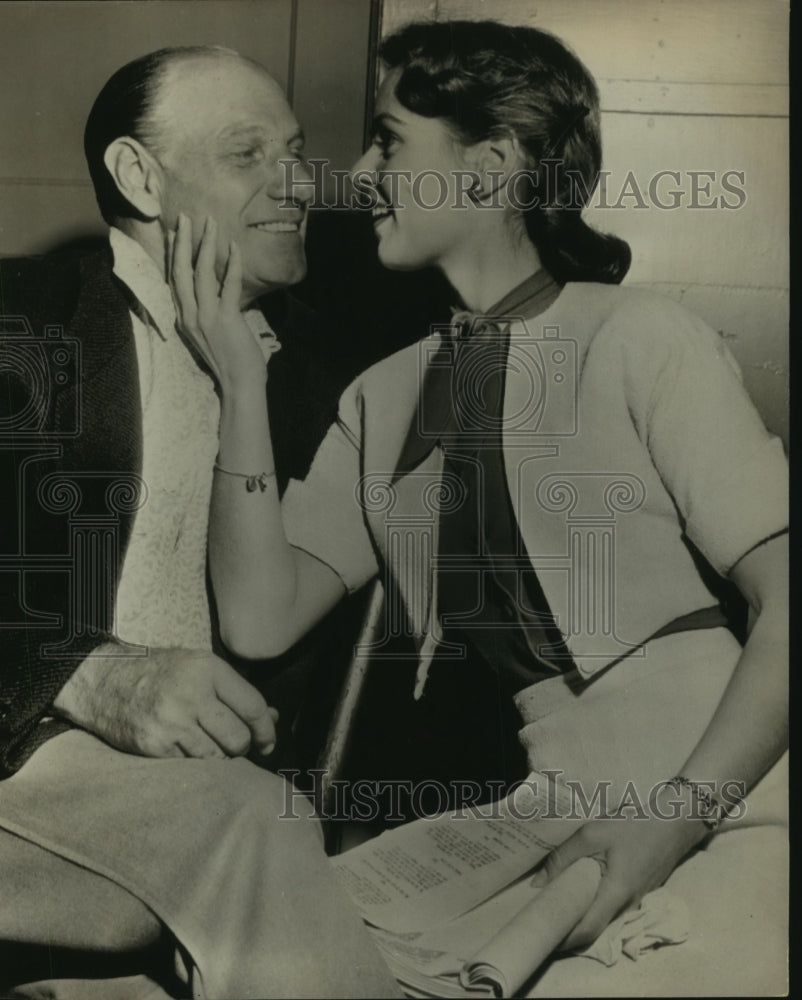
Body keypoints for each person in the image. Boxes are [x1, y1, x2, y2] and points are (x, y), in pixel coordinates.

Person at [172, 20, 788, 993]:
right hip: (549, 810)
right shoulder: (382, 395)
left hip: (734, 797)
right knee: (254, 959)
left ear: (491, 162)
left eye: (389, 139)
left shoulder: (641, 338)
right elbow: (257, 614)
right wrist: (241, 389)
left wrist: (676, 816)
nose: (363, 174)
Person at [0, 45, 401, 999]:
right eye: (246, 153)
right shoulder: (21, 319)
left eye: (297, 153)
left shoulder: (326, 383)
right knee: (252, 826)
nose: (295, 184)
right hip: (26, 754)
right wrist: (85, 675)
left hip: (188, 817)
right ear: (139, 174)